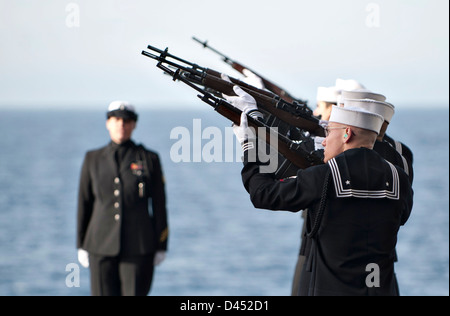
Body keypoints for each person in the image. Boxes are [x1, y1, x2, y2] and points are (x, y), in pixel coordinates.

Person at [230, 89, 413, 295]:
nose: (324, 141)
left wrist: (249, 144)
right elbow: (401, 217)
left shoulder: (324, 176)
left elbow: (262, 194)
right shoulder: (399, 178)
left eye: (329, 132)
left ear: (347, 133)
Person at [76, 101, 169, 296]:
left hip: (139, 247)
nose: (121, 125)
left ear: (134, 124)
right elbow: (84, 204)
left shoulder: (149, 158)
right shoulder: (92, 158)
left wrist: (161, 245)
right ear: (108, 123)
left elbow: (160, 205)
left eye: (126, 121)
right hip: (99, 246)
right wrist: (81, 244)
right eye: (116, 119)